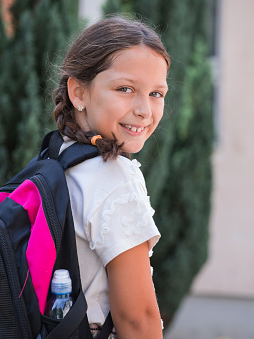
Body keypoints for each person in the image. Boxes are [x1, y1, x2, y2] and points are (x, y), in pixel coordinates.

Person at [52, 16, 169, 339]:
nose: (145, 110)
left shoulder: (56, 157)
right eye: (125, 89)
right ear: (79, 92)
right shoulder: (114, 177)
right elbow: (137, 320)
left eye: (157, 93)